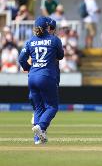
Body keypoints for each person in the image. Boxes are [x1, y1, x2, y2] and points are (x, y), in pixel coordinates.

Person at [19, 16, 64, 144]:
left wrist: (29, 68)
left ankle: (37, 138)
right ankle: (41, 127)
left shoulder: (29, 41)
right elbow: (60, 56)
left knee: (38, 108)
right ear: (48, 27)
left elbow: (21, 59)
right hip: (47, 77)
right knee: (52, 107)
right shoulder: (54, 40)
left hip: (32, 77)